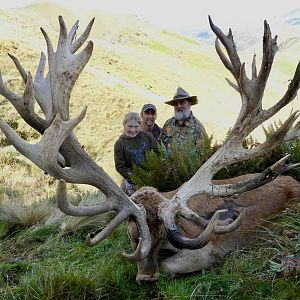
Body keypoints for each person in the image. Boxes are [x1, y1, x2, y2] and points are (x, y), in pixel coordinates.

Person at [114, 112, 158, 196]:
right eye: (130, 126)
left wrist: (152, 171)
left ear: (140, 125)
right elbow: (120, 166)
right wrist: (135, 177)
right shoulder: (120, 143)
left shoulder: (148, 137)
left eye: (136, 126)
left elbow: (157, 153)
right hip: (132, 183)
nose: (133, 130)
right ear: (124, 125)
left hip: (152, 178)